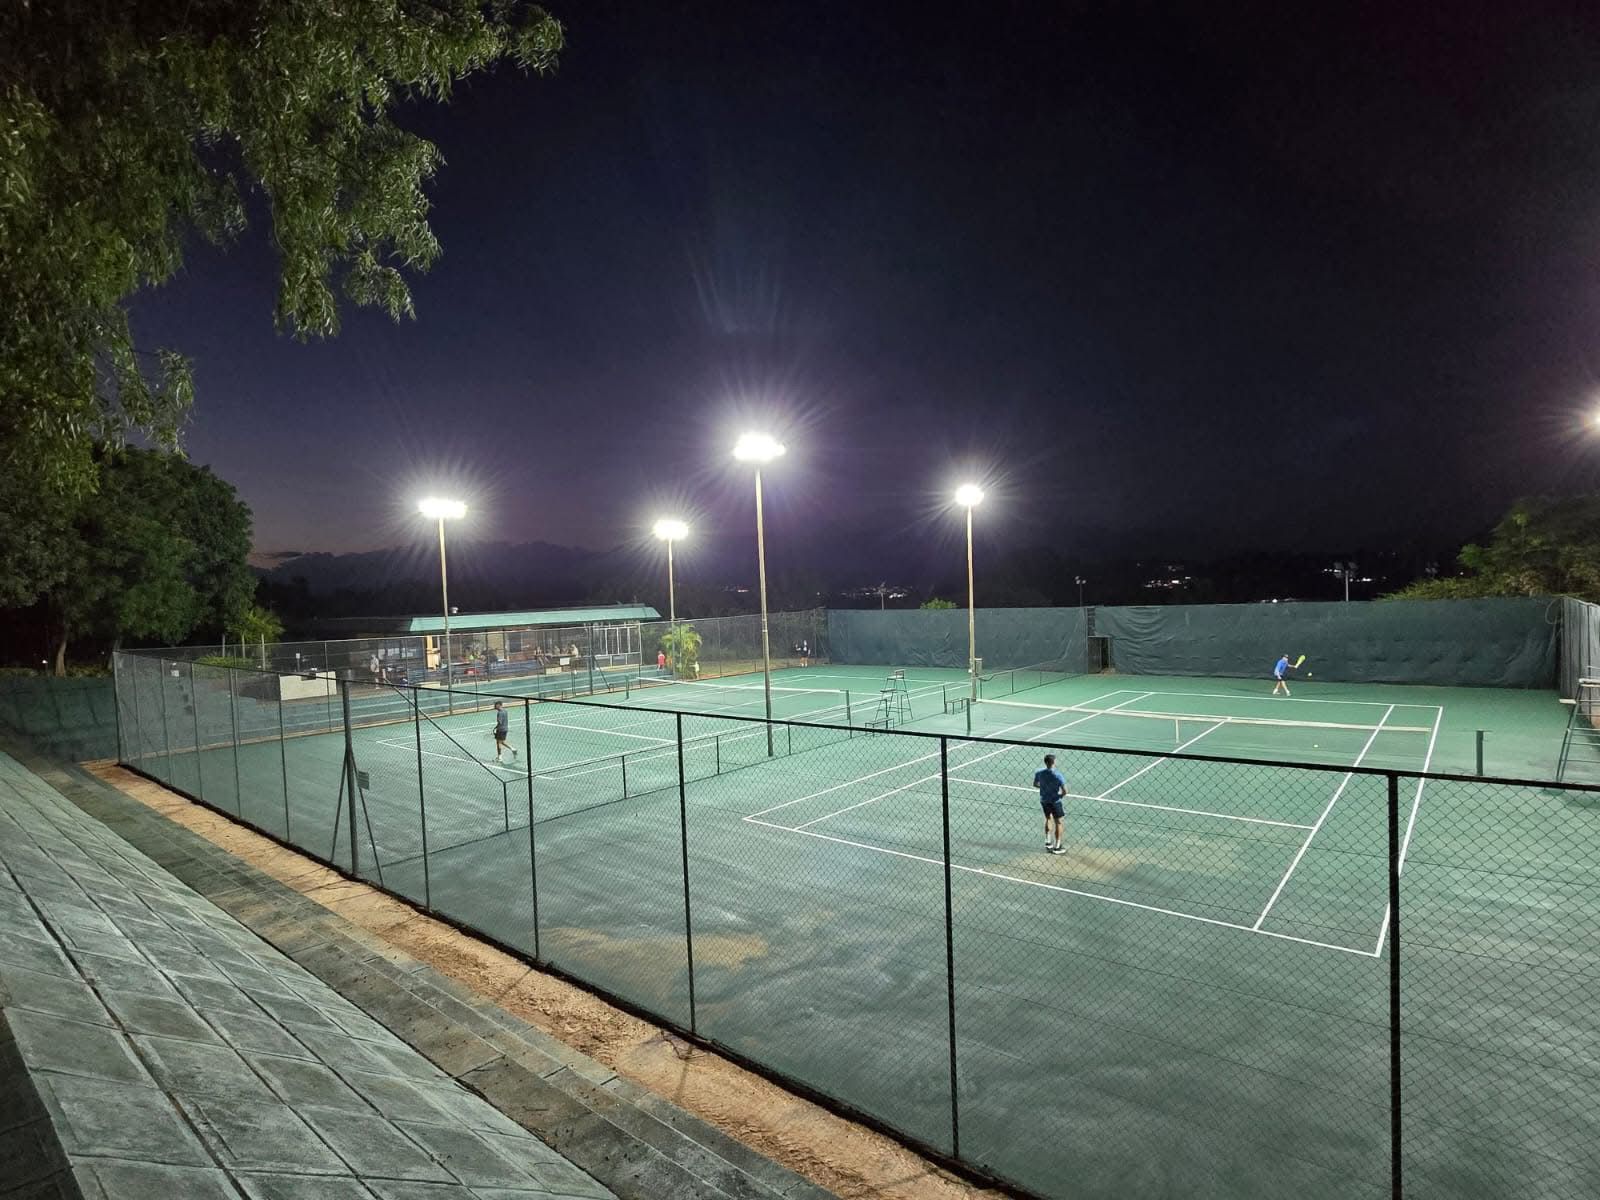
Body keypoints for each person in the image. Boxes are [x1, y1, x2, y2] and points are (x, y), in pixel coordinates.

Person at [1032, 754, 1067, 855]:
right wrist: (1060, 796)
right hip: (1055, 801)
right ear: (1054, 762)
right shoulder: (1058, 775)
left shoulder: (1039, 773)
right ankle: (1057, 846)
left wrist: (1044, 788)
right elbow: (1065, 790)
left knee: (1048, 818)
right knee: (1059, 822)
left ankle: (1048, 841)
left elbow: (1035, 784)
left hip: (1044, 800)